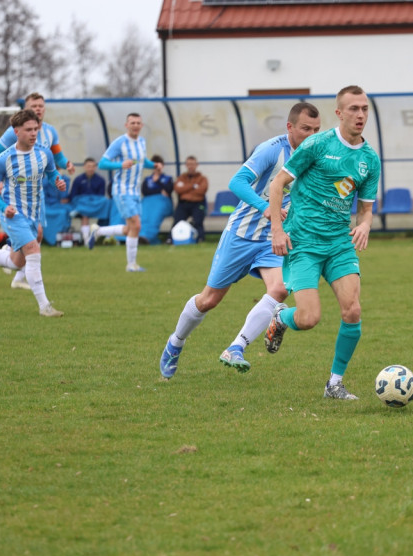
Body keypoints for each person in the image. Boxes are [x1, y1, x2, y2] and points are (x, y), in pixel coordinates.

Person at [159, 102, 322, 380]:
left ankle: (236, 347)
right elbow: (237, 182)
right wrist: (265, 207)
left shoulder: (316, 154)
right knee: (209, 300)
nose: (311, 135)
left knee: (280, 289)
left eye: (316, 130)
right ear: (290, 127)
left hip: (273, 237)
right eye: (306, 129)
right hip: (241, 235)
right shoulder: (272, 149)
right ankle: (175, 343)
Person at [263, 86, 380, 400]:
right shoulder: (317, 144)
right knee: (309, 318)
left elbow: (366, 209)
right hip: (304, 242)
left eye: (365, 109)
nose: (360, 115)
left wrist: (364, 225)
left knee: (352, 310)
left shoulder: (370, 159)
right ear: (339, 113)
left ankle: (334, 384)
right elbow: (278, 184)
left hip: (339, 244)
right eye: (353, 109)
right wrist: (277, 230)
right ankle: (281, 317)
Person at [0, 109, 65, 317]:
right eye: (28, 130)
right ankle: (45, 306)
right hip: (13, 215)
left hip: (33, 214)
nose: (34, 133)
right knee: (33, 251)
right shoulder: (4, 159)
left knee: (18, 262)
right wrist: (3, 206)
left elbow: (52, 173)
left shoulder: (44, 153)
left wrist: (58, 181)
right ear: (16, 132)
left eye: (36, 129)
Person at [0, 92, 75, 289]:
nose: (38, 109)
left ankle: (17, 274)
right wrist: (0, 180)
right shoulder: (15, 132)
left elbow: (56, 158)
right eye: (33, 106)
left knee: (39, 235)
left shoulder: (50, 132)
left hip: (37, 190)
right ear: (25, 109)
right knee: (34, 237)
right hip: (16, 192)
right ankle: (11, 253)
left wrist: (66, 163)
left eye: (41, 105)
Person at [87, 112, 155, 272]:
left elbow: (142, 161)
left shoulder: (142, 142)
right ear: (126, 125)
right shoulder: (120, 143)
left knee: (130, 228)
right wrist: (120, 165)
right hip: (122, 190)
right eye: (132, 123)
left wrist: (154, 166)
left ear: (142, 125)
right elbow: (103, 163)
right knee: (136, 225)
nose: (136, 125)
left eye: (138, 123)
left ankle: (98, 231)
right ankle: (131, 265)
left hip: (135, 191)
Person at [69, 157, 110, 237]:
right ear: (84, 167)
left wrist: (91, 200)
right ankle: (86, 239)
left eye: (92, 166)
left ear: (95, 167)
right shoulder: (78, 179)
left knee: (105, 201)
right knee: (84, 210)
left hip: (95, 204)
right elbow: (73, 196)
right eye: (88, 166)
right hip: (82, 202)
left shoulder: (101, 180)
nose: (90, 169)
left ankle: (101, 236)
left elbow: (100, 196)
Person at [172, 156, 208, 242]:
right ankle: (171, 238)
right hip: (184, 203)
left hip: (198, 203)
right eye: (188, 164)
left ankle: (200, 238)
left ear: (196, 165)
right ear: (186, 165)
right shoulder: (181, 177)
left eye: (192, 164)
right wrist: (193, 186)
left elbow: (202, 191)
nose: (190, 166)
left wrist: (185, 190)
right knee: (177, 220)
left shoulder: (202, 178)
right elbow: (177, 189)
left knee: (198, 221)